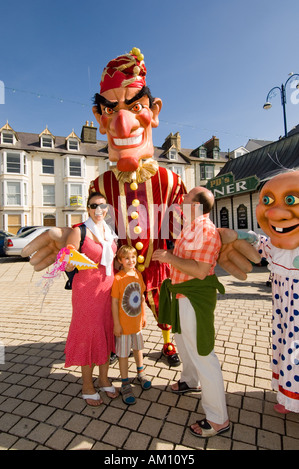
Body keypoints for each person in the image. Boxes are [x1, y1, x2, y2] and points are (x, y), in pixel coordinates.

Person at [21, 47, 261, 365]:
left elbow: (188, 223)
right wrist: (71, 237)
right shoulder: (100, 186)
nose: (123, 123)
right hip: (121, 264)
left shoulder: (172, 182)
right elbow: (96, 227)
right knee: (117, 306)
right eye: (111, 110)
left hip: (158, 261)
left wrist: (213, 241)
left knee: (164, 306)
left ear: (154, 111)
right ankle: (117, 346)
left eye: (136, 107)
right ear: (100, 118)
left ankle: (168, 344)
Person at [153, 187, 230, 438]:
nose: (181, 201)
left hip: (195, 296)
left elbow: (199, 270)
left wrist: (168, 257)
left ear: (196, 205)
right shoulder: (192, 226)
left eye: (185, 199)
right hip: (181, 293)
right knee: (184, 344)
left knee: (203, 355)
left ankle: (218, 418)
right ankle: (190, 381)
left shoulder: (205, 230)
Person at [64, 192, 118, 407]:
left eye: (102, 205)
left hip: (108, 290)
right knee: (89, 334)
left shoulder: (109, 230)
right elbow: (67, 259)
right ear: (87, 208)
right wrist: (68, 262)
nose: (98, 210)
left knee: (106, 331)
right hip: (87, 291)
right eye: (93, 206)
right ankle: (87, 384)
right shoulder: (79, 231)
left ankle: (104, 379)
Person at [253, 170, 299, 414]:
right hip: (283, 313)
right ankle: (289, 395)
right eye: (268, 201)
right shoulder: (275, 244)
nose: (274, 213)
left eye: (291, 200)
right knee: (286, 348)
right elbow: (261, 246)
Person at [111, 245, 151, 405]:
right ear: (120, 261)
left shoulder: (138, 275)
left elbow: (141, 296)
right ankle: (125, 382)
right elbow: (114, 302)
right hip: (123, 325)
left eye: (133, 257)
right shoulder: (118, 278)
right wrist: (116, 324)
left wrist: (144, 314)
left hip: (136, 323)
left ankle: (140, 373)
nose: (131, 261)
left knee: (138, 348)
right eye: (127, 258)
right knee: (123, 354)